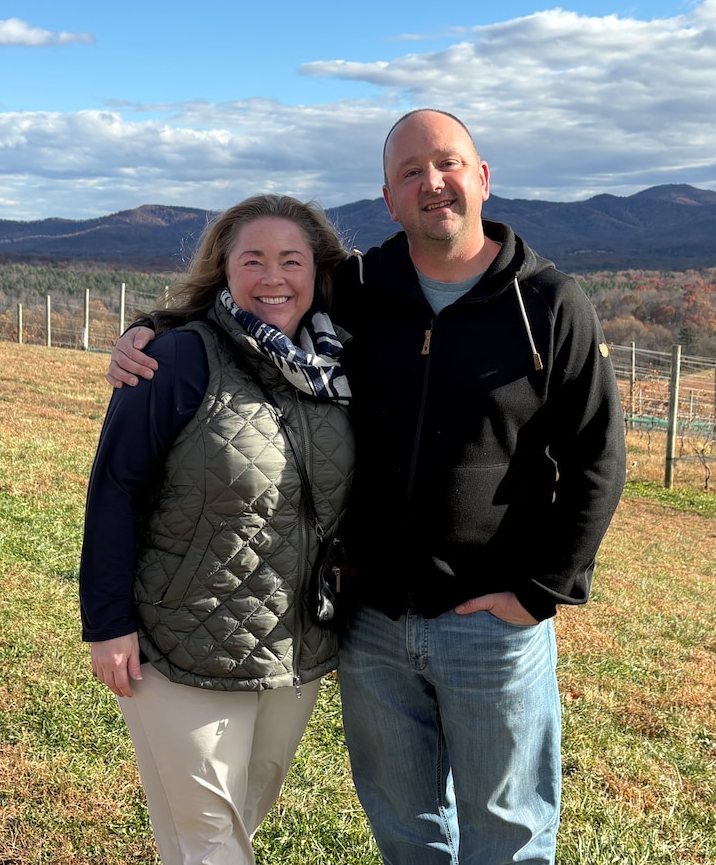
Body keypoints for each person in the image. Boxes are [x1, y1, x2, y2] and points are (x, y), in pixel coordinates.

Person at [107, 110, 627, 864]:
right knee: (406, 828)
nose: (432, 183)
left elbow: (597, 458)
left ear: (482, 178)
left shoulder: (546, 303)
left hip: (491, 623)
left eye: (447, 164)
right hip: (371, 622)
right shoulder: (357, 288)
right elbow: (252, 301)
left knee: (507, 833)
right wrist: (150, 328)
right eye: (410, 172)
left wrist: (540, 590)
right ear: (389, 198)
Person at [81, 194, 354, 865]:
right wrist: (107, 623)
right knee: (212, 842)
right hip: (182, 644)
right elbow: (115, 489)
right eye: (252, 260)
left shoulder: (338, 366)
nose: (273, 278)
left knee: (231, 825)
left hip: (293, 646)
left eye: (291, 261)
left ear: (317, 271)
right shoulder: (176, 359)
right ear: (223, 270)